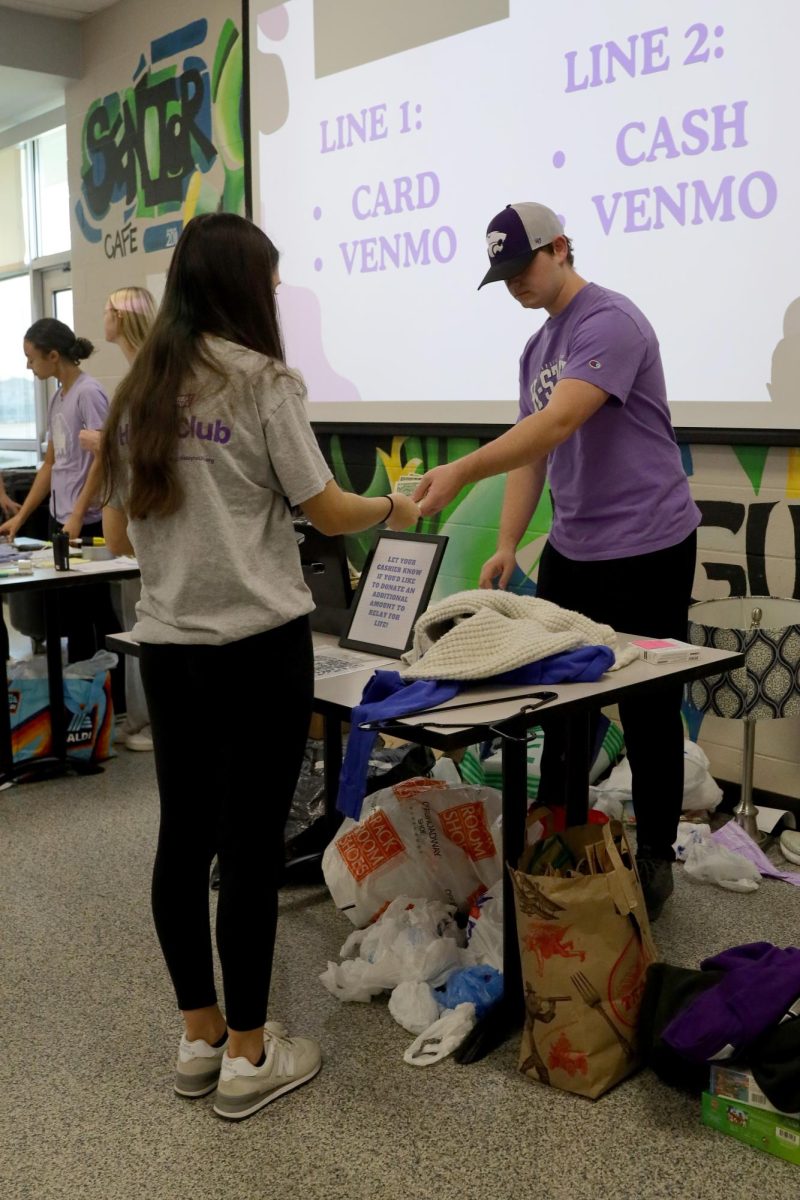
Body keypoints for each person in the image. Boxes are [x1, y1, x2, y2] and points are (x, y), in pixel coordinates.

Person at [99, 212, 419, 1122]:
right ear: (243, 285)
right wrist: (391, 505)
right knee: (246, 848)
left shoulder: (141, 391)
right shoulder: (263, 380)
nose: (276, 296)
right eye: (271, 282)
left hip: (168, 649)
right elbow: (324, 509)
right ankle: (251, 1054)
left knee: (183, 841)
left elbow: (118, 533)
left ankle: (199, 1037)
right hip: (258, 650)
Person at [413, 202, 701, 921]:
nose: (516, 286)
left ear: (562, 249)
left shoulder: (612, 322)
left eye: (524, 268)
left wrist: (461, 472)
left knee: (648, 709)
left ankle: (657, 854)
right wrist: (509, 542)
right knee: (561, 706)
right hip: (574, 548)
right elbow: (535, 448)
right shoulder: (536, 350)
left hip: (649, 543)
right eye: (503, 276)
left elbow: (563, 418)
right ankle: (559, 843)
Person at [0, 320, 117, 663]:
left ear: (53, 356)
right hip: (61, 520)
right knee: (71, 614)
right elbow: (51, 464)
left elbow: (103, 456)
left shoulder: (89, 392)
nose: (27, 366)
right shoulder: (58, 397)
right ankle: (79, 693)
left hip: (87, 522)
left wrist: (79, 515)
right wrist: (21, 517)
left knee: (94, 613)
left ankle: (112, 702)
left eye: (31, 358)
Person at [79, 287, 158, 751]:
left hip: (146, 525)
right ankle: (140, 720)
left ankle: (146, 723)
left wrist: (105, 444)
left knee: (140, 623)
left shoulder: (145, 379)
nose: (102, 317)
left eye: (107, 310)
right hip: (136, 525)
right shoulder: (138, 375)